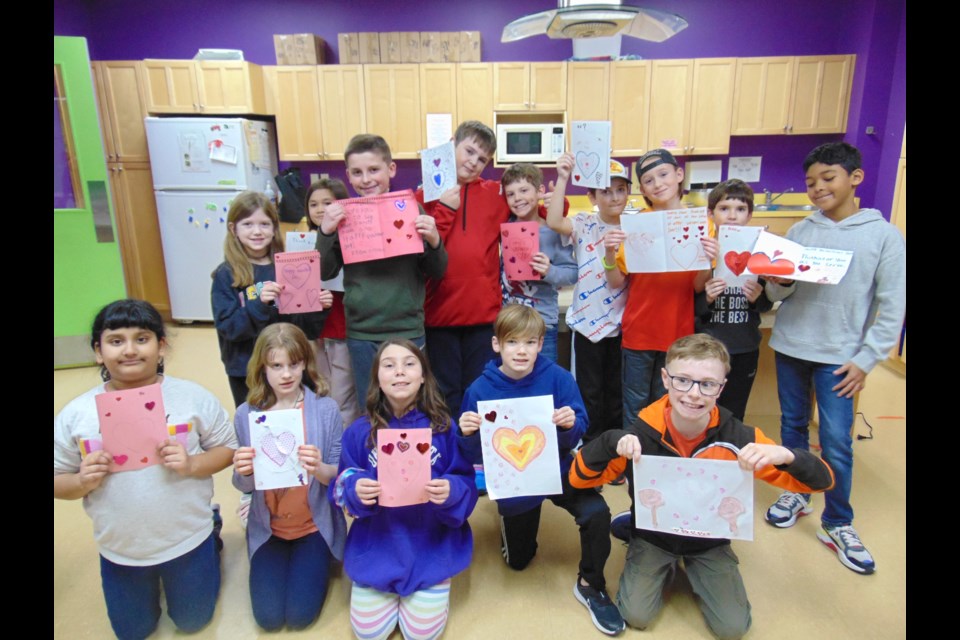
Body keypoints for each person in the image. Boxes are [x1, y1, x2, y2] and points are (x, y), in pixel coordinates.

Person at [570, 334, 835, 639]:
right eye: (683, 380)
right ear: (665, 379)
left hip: (709, 542)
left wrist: (787, 456)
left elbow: (823, 481)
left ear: (721, 387)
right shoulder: (641, 435)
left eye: (707, 384)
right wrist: (609, 442)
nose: (694, 394)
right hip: (655, 537)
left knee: (733, 628)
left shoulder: (739, 438)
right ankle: (636, 530)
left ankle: (685, 560)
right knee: (636, 616)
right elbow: (579, 479)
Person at [54, 299, 237, 640]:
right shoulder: (77, 414)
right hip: (121, 548)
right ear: (98, 352)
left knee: (193, 621)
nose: (129, 350)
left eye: (142, 338)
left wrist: (192, 463)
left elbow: (227, 449)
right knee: (132, 632)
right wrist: (82, 481)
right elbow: (56, 479)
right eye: (116, 340)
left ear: (161, 345)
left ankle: (210, 534)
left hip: (186, 538)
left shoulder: (192, 398)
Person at [762, 142, 906, 575]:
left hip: (840, 359)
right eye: (811, 183)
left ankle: (838, 521)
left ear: (855, 178)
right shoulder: (801, 231)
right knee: (792, 429)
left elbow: (891, 304)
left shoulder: (883, 236)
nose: (818, 189)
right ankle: (798, 493)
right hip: (791, 346)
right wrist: (777, 280)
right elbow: (778, 295)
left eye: (828, 178)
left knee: (838, 442)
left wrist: (867, 359)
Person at [458, 304, 625, 636]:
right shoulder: (479, 391)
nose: (522, 351)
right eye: (512, 342)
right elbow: (474, 455)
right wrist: (465, 432)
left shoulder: (558, 377)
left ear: (541, 344)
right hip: (517, 480)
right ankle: (510, 520)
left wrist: (569, 424)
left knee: (596, 513)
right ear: (497, 345)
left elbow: (580, 424)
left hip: (559, 467)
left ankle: (592, 582)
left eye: (531, 342)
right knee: (519, 561)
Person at [331, 339, 478, 640]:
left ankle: (431, 582)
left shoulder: (444, 428)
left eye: (409, 364)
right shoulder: (359, 432)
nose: (399, 372)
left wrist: (450, 490)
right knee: (368, 633)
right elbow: (342, 483)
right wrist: (356, 489)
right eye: (389, 365)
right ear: (377, 379)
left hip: (431, 543)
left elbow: (466, 480)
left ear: (423, 376)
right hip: (379, 542)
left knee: (421, 635)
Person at [232, 323, 347, 631]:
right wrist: (243, 471)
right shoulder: (247, 414)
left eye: (294, 364)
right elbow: (243, 485)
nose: (286, 374)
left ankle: (316, 555)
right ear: (262, 367)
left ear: (305, 364)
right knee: (268, 619)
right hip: (269, 527)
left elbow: (338, 478)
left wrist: (319, 468)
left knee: (299, 617)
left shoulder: (325, 410)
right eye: (276, 365)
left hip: (312, 525)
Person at [318, 134, 447, 402]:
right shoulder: (342, 216)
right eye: (357, 172)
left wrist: (434, 239)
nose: (366, 179)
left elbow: (437, 270)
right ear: (348, 176)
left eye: (373, 170)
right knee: (372, 405)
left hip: (408, 328)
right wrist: (326, 232)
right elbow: (324, 272)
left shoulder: (411, 208)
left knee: (413, 402)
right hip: (363, 333)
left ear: (391, 169)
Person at [603, 149, 714, 427]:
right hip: (639, 332)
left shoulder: (702, 225)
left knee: (667, 407)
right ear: (642, 190)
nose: (658, 184)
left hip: (678, 333)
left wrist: (708, 259)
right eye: (649, 180)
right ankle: (633, 466)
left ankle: (660, 465)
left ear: (679, 175)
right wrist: (608, 253)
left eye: (663, 174)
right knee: (635, 410)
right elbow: (617, 281)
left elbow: (698, 286)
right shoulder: (636, 224)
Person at [415, 121, 510, 413]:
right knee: (444, 393)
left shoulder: (497, 194)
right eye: (468, 151)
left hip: (483, 316)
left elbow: (536, 208)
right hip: (439, 315)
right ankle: (451, 454)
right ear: (452, 145)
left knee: (480, 392)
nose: (473, 162)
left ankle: (479, 456)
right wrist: (445, 208)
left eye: (482, 159)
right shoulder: (424, 196)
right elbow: (424, 252)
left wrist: (544, 198)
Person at [211, 191, 333, 407]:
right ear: (233, 229)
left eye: (265, 224)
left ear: (274, 227)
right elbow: (229, 328)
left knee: (295, 421)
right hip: (247, 370)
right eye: (247, 224)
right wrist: (259, 303)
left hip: (290, 368)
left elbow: (306, 331)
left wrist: (318, 308)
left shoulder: (287, 268)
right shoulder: (226, 274)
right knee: (256, 423)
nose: (257, 231)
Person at [546, 153, 630, 443]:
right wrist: (562, 177)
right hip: (586, 324)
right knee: (588, 392)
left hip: (624, 325)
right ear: (593, 197)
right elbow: (554, 219)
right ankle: (593, 449)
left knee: (617, 392)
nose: (615, 197)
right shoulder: (584, 223)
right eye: (606, 191)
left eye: (621, 190)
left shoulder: (635, 227)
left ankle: (615, 449)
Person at [694, 180, 772, 421]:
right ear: (711, 213)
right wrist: (706, 298)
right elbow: (689, 302)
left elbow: (767, 303)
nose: (732, 216)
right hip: (708, 344)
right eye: (724, 208)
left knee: (735, 411)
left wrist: (757, 299)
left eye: (740, 209)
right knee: (701, 406)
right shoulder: (702, 248)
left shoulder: (761, 248)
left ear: (750, 214)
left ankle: (728, 453)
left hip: (744, 344)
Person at [499, 162, 578, 363]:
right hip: (510, 322)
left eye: (524, 190)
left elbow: (572, 273)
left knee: (544, 380)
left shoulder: (554, 229)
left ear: (540, 191)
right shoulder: (504, 226)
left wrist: (549, 271)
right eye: (511, 194)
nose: (518, 198)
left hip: (542, 323)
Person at [306, 178, 360, 427]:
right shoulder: (302, 241)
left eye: (327, 203)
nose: (320, 209)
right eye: (313, 204)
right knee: (322, 389)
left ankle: (342, 448)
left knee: (342, 395)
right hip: (314, 330)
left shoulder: (352, 239)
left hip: (342, 329)